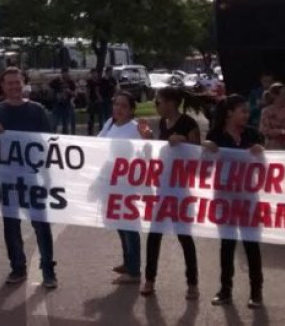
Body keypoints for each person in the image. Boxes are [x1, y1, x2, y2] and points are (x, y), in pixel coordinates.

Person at [0, 67, 58, 289]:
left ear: (23, 83)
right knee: (11, 224)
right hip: (6, 178)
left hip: (32, 177)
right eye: (10, 83)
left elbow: (48, 143)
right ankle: (17, 267)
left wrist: (48, 176)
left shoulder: (37, 110)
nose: (14, 86)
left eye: (17, 82)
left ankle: (48, 270)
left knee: (41, 224)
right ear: (3, 86)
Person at [204, 94, 265, 309]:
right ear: (229, 113)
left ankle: (256, 292)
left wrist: (261, 155)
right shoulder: (215, 137)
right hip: (224, 199)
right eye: (243, 111)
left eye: (247, 112)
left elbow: (266, 172)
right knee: (227, 244)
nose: (247, 115)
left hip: (248, 198)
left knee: (251, 245)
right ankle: (225, 290)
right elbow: (204, 173)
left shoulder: (254, 135)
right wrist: (206, 153)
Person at [142, 86, 200, 298]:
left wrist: (184, 141)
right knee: (154, 235)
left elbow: (198, 154)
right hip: (162, 187)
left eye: (158, 102)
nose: (157, 106)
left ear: (171, 103)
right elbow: (160, 153)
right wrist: (148, 140)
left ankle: (192, 283)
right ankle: (149, 280)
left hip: (181, 189)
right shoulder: (161, 124)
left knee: (184, 236)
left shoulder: (188, 124)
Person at [98, 91, 152, 285]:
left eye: (123, 106)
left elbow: (148, 150)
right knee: (119, 224)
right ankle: (127, 262)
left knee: (129, 225)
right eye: (116, 104)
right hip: (111, 180)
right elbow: (96, 143)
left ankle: (134, 271)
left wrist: (148, 138)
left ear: (131, 110)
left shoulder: (135, 128)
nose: (118, 109)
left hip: (128, 183)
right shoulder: (110, 123)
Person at [258, 83, 285, 150]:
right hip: (272, 148)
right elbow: (264, 130)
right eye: (284, 94)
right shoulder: (266, 111)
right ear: (275, 95)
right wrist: (281, 132)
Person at [49, 68, 76, 134]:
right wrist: (55, 94)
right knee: (54, 123)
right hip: (58, 104)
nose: (65, 75)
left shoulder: (71, 82)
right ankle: (52, 135)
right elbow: (49, 86)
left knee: (66, 124)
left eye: (66, 73)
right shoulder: (57, 81)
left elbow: (74, 93)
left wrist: (69, 91)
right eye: (64, 73)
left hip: (66, 104)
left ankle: (65, 136)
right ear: (62, 73)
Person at [85, 68, 103, 135]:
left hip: (98, 101)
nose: (94, 74)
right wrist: (88, 100)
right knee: (91, 117)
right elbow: (87, 91)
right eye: (93, 73)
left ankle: (101, 129)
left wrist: (100, 98)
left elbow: (100, 90)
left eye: (95, 73)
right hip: (92, 101)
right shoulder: (89, 82)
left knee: (100, 116)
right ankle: (90, 131)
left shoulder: (98, 81)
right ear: (91, 74)